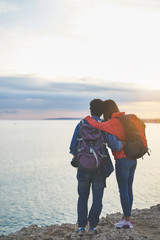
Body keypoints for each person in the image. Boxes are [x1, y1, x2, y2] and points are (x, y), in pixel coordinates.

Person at [69, 99, 123, 235]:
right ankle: (92, 227)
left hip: (82, 168)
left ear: (90, 110)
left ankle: (81, 227)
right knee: (97, 198)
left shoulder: (81, 124)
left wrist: (82, 155)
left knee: (82, 197)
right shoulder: (104, 125)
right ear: (102, 112)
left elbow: (72, 147)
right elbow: (113, 145)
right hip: (99, 168)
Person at [85, 99, 137, 229]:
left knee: (123, 189)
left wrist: (87, 118)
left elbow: (114, 144)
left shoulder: (111, 123)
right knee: (129, 188)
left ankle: (126, 220)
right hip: (133, 158)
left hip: (122, 160)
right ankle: (128, 217)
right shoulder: (124, 119)